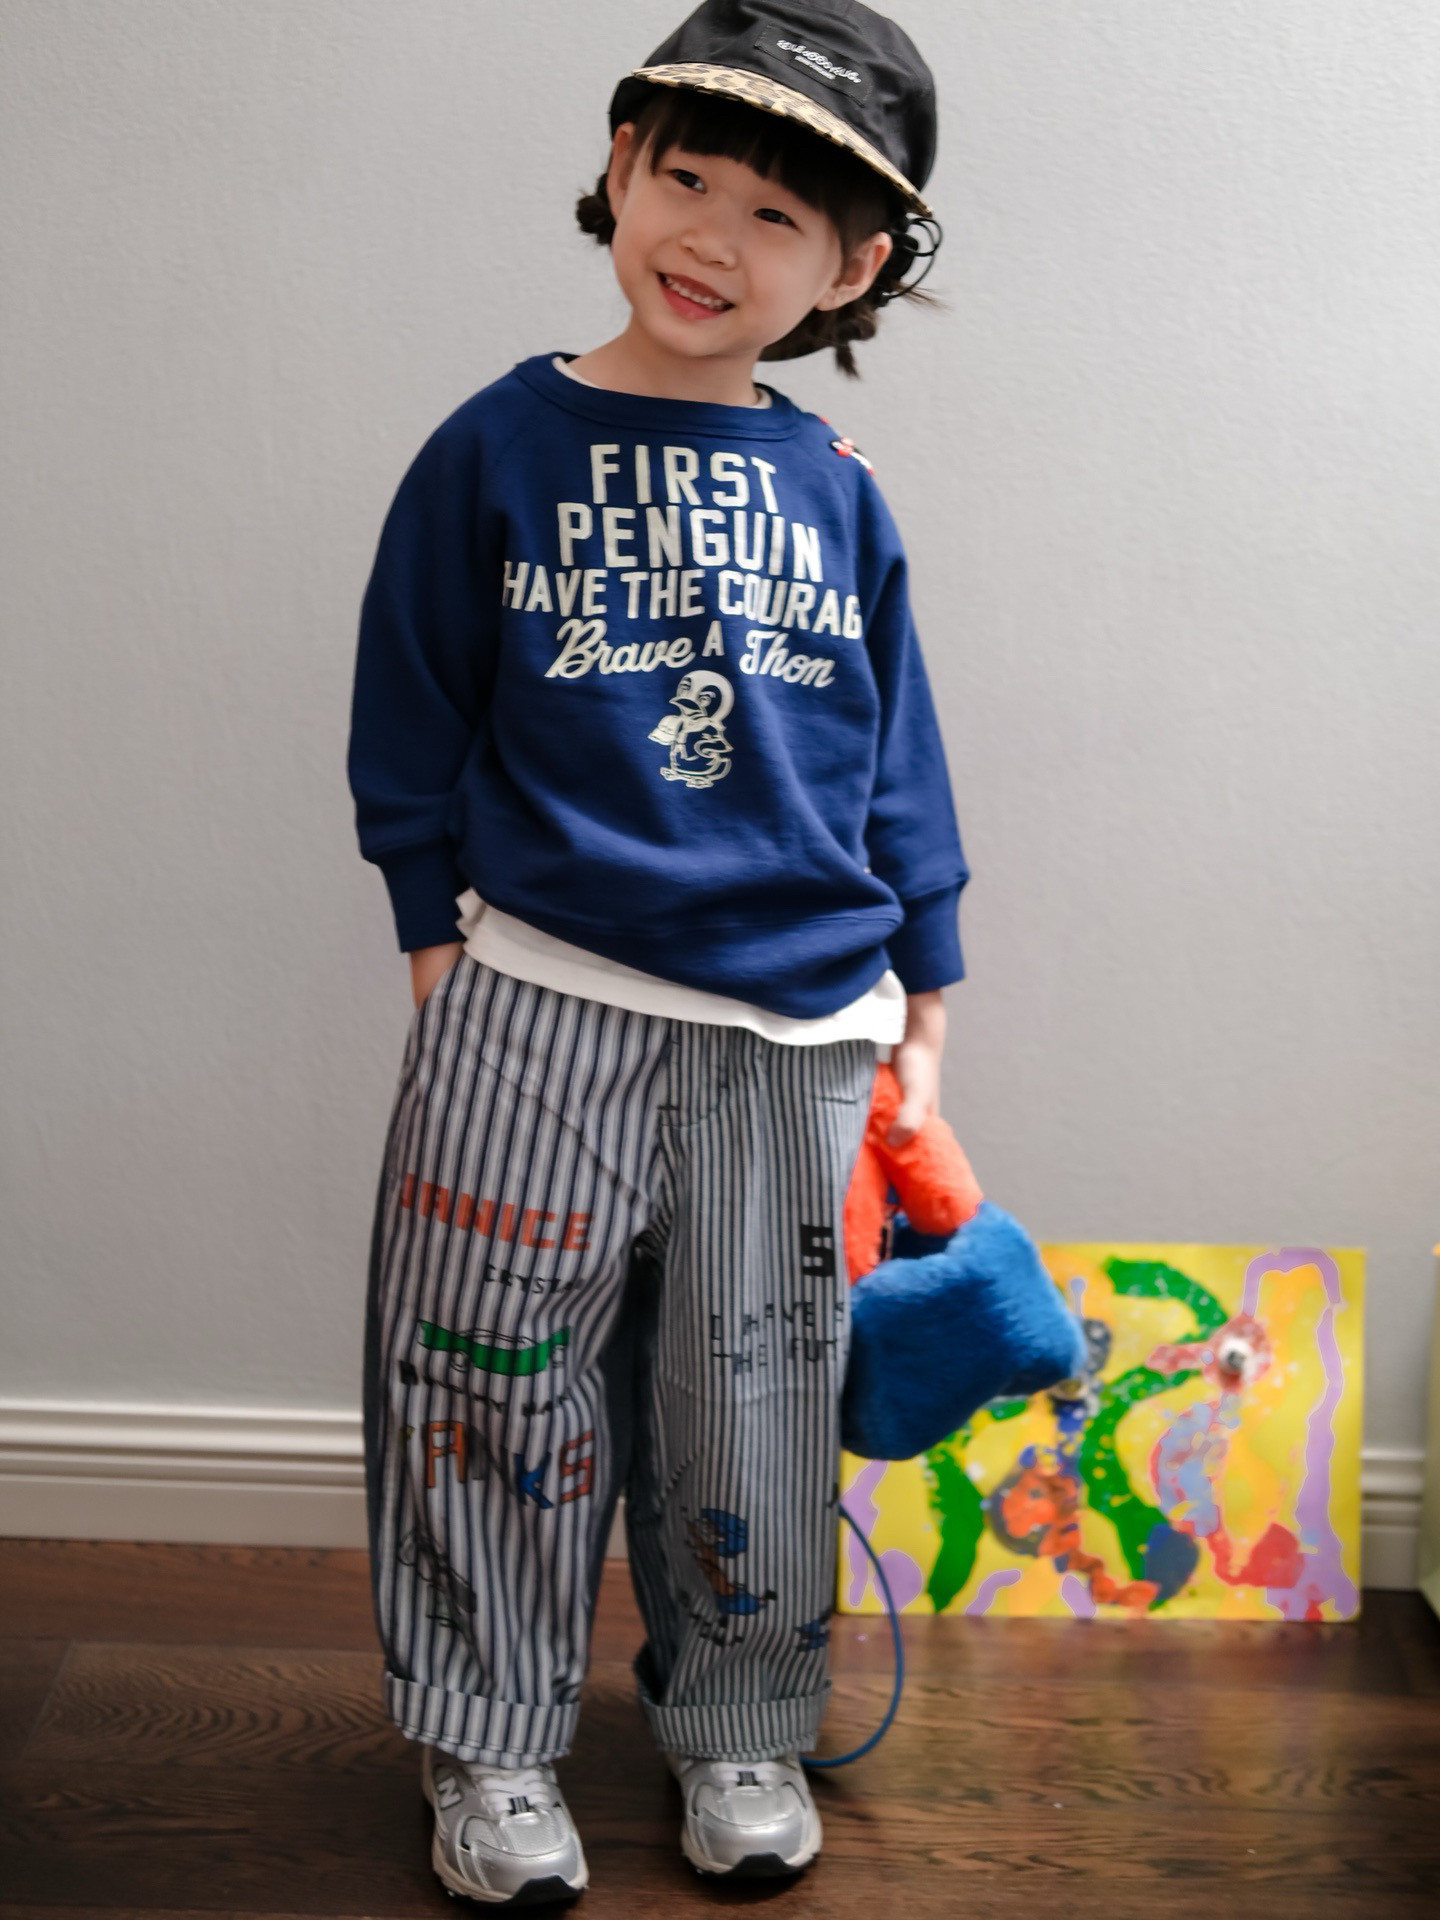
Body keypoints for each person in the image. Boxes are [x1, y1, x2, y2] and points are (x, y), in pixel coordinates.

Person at [347, 1, 967, 1902]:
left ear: (851, 265)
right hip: (535, 999)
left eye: (777, 214)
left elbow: (896, 755)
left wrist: (927, 1005)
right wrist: (435, 951)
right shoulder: (495, 444)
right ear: (620, 167)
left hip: (798, 1030)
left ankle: (740, 1722)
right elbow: (411, 703)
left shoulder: (837, 485)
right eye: (684, 176)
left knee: (754, 1402)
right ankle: (487, 1743)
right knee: (483, 1378)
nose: (711, 236)